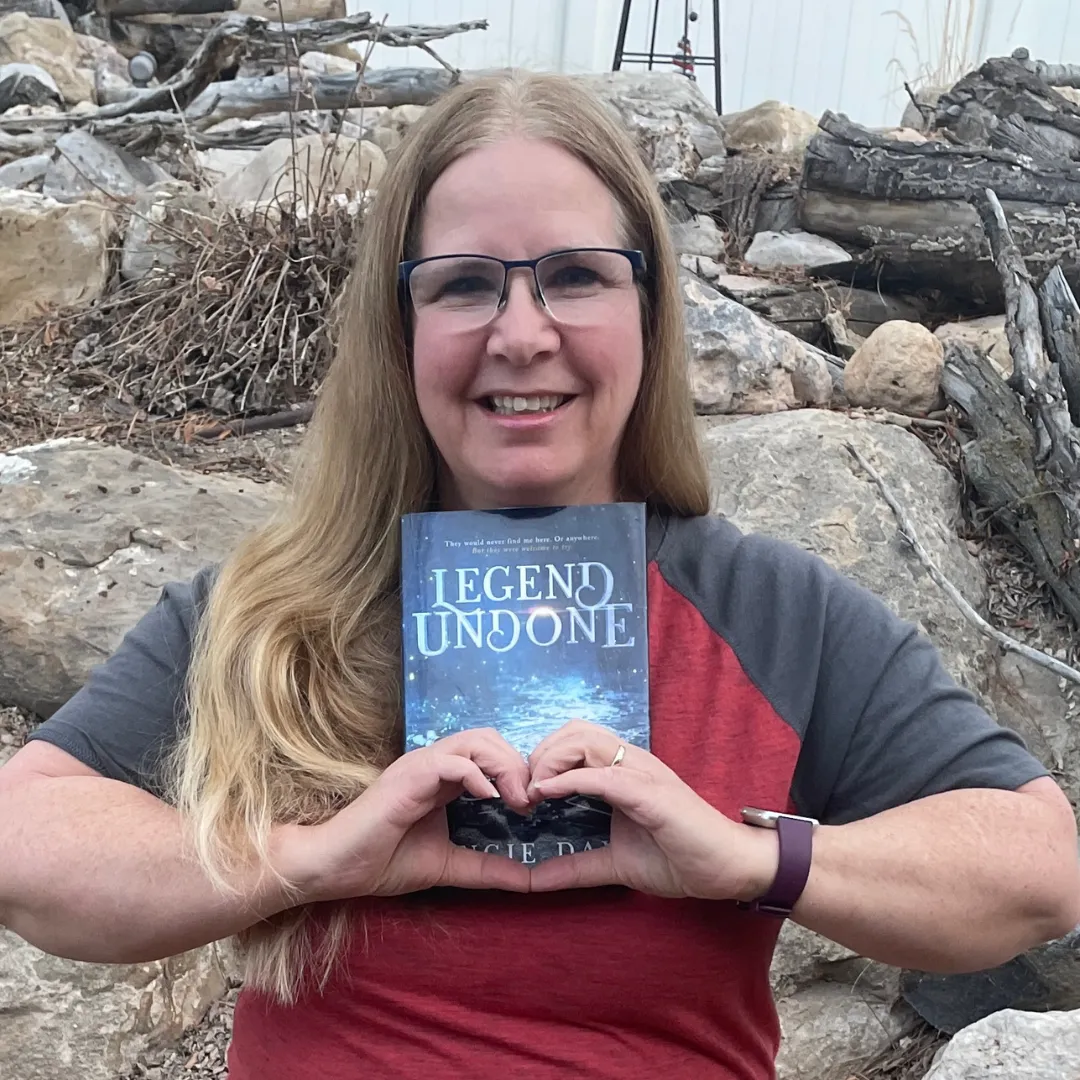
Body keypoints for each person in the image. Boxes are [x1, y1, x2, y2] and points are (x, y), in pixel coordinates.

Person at [1, 70, 1077, 1080]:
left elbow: (1035, 865)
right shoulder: (279, 609)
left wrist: (751, 861)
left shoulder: (772, 613)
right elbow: (27, 848)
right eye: (465, 284)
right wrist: (318, 859)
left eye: (575, 277)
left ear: (652, 315)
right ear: (400, 326)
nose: (523, 335)